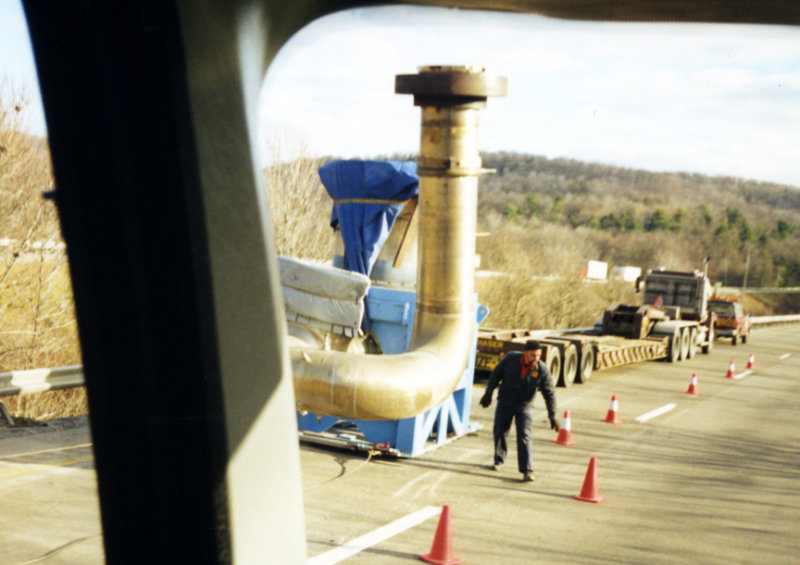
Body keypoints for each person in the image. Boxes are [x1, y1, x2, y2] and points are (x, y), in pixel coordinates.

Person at [479, 340, 559, 482]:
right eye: (533, 355)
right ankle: (499, 460)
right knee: (500, 430)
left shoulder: (541, 369)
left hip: (525, 405)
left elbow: (549, 393)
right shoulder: (511, 358)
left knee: (524, 435)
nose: (536, 359)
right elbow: (496, 374)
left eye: (539, 356)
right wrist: (489, 392)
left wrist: (552, 414)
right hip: (505, 401)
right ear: (525, 353)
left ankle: (527, 470)